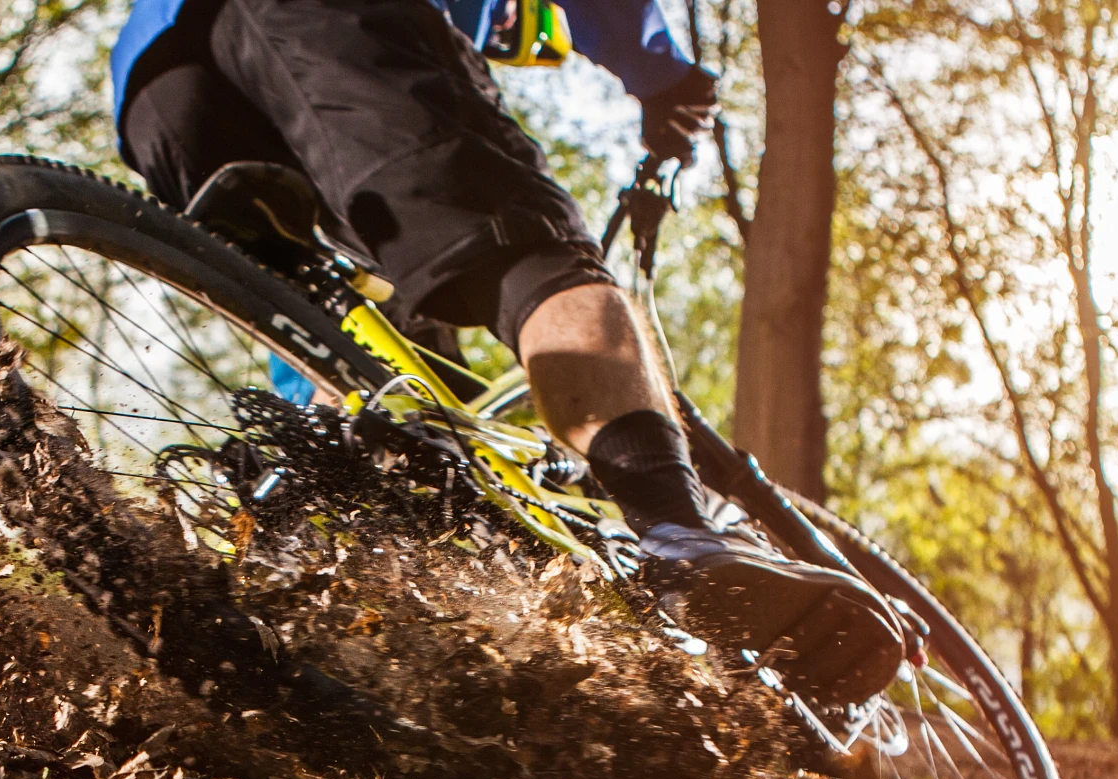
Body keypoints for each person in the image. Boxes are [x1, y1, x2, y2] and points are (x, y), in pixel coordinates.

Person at [108, 0, 904, 702]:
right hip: (326, 21)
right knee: (529, 252)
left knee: (353, 360)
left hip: (159, 86)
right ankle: (677, 534)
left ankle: (312, 608)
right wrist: (660, 74)